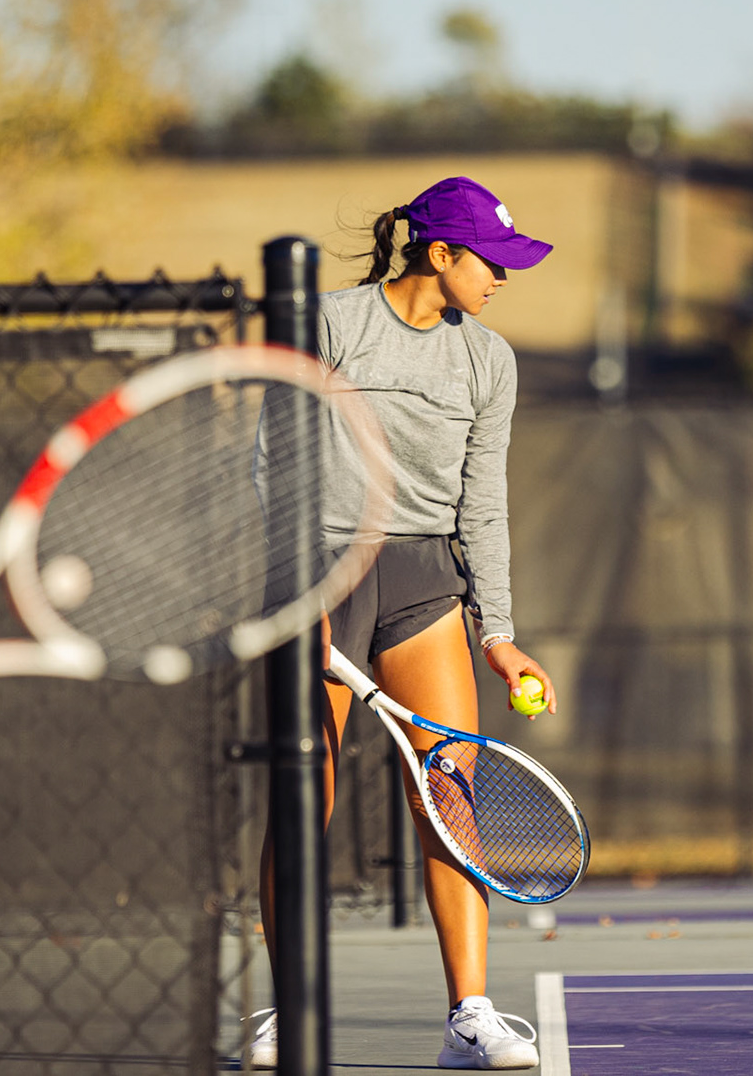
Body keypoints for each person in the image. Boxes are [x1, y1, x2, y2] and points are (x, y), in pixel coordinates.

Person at [252, 177, 557, 1070]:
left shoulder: (489, 361)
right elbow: (277, 460)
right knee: (305, 795)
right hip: (326, 568)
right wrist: (298, 594)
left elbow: (484, 504)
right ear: (440, 254)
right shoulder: (331, 324)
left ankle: (470, 1016)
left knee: (450, 795)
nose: (503, 276)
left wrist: (496, 635)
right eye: (492, 261)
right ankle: (288, 1012)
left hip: (425, 581)